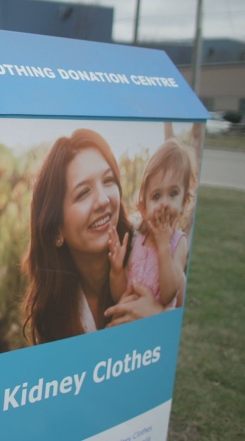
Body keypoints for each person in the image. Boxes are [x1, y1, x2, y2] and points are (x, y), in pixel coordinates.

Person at [22, 128, 149, 345]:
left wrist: (159, 316)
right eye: (83, 193)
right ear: (56, 231)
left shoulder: (150, 250)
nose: (103, 200)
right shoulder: (52, 311)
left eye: (108, 180)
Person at [108, 141, 196, 309]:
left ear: (184, 201)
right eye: (156, 196)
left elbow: (169, 294)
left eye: (173, 194)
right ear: (145, 206)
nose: (164, 203)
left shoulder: (179, 243)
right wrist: (117, 271)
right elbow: (118, 296)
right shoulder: (138, 239)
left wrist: (163, 245)